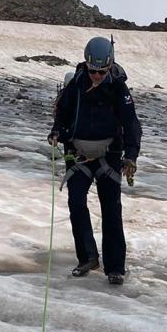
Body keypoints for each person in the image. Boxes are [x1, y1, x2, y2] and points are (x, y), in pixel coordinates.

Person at [47, 36, 141, 285]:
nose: (97, 76)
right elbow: (64, 112)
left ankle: (115, 267)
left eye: (102, 71)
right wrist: (57, 131)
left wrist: (130, 155)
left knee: (111, 210)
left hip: (108, 157)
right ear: (87, 65)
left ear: (110, 66)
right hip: (77, 155)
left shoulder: (119, 89)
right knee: (76, 204)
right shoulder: (76, 83)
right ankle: (87, 257)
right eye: (93, 71)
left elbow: (132, 125)